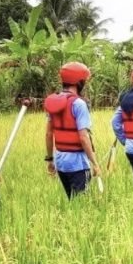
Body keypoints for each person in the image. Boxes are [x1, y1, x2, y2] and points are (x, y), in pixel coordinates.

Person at [43, 62, 101, 198]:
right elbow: (83, 137)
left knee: (72, 200)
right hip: (78, 163)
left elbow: (48, 133)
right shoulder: (79, 104)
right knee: (81, 204)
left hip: (61, 161)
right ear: (79, 82)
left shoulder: (53, 102)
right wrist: (95, 163)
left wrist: (50, 160)